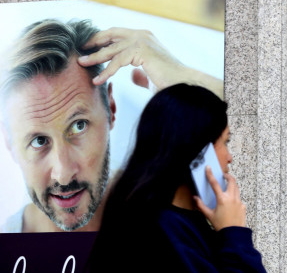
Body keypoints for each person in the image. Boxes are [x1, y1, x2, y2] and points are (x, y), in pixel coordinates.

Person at [0, 18, 224, 233]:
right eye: (38, 141)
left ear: (111, 109)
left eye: (79, 126)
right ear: (10, 144)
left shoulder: (172, 211)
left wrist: (187, 81)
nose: (64, 174)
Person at [89, 84, 270, 273]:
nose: (229, 157)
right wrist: (234, 234)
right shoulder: (160, 231)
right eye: (225, 142)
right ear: (200, 150)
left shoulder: (159, 221)